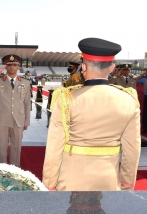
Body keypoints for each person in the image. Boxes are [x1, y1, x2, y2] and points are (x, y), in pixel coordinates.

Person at [42, 37, 141, 191]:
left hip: (71, 180)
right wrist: (126, 185)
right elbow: (132, 150)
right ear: (112, 67)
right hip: (109, 180)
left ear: (83, 66)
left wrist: (49, 184)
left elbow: (54, 149)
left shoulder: (66, 99)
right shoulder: (128, 100)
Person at [0, 55, 31, 167]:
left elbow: (27, 103)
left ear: (18, 67)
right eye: (9, 65)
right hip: (2, 119)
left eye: (14, 65)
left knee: (16, 146)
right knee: (2, 146)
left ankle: (15, 170)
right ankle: (3, 169)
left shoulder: (25, 82)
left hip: (18, 119)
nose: (12, 67)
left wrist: (26, 121)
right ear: (5, 67)